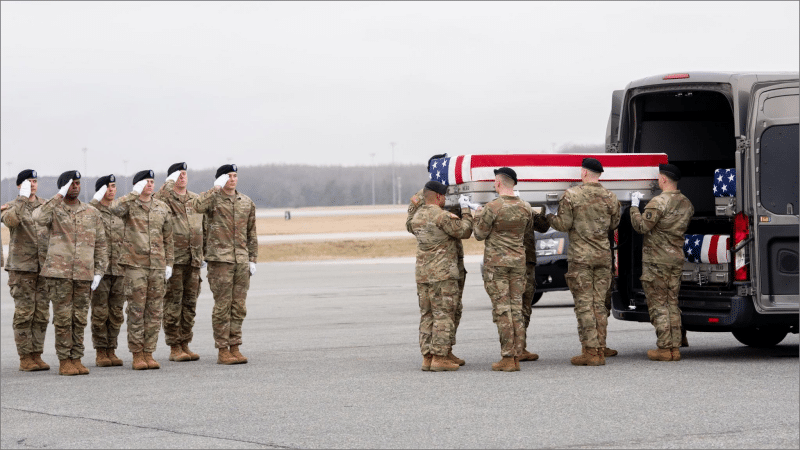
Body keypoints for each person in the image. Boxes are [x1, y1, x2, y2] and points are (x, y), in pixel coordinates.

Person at [547, 158, 620, 366]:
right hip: (603, 258)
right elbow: (614, 223)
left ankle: (591, 352)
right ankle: (600, 347)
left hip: (581, 259)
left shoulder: (572, 195)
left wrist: (550, 216)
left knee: (584, 305)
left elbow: (563, 224)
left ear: (584, 173)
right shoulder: (610, 196)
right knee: (599, 304)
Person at [34, 171, 108, 376]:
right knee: (63, 319)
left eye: (77, 183)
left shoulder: (91, 212)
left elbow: (101, 243)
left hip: (84, 274)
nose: (75, 186)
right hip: (60, 274)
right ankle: (65, 360)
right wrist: (58, 195)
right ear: (63, 187)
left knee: (80, 318)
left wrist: (99, 271)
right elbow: (38, 217)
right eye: (70, 184)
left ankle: (76, 357)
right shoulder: (54, 210)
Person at [191, 164, 257, 365]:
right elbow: (197, 206)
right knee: (222, 306)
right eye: (228, 176)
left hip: (241, 261)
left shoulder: (246, 202)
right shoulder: (213, 200)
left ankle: (235, 346)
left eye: (235, 176)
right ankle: (222, 349)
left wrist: (252, 259)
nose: (232, 179)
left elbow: (251, 233)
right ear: (220, 179)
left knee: (238, 306)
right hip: (221, 261)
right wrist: (215, 189)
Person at [406, 154, 468, 367]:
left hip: (424, 271)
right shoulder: (437, 210)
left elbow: (410, 223)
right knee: (444, 313)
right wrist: (467, 212)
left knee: (430, 314)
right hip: (443, 271)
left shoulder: (419, 214)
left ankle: (430, 355)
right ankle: (439, 357)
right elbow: (464, 231)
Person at [109, 169, 174, 370]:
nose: (150, 185)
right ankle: (137, 353)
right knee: (137, 310)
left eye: (152, 181)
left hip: (156, 265)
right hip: (135, 265)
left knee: (155, 311)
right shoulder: (129, 205)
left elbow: (168, 238)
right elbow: (114, 209)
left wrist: (169, 263)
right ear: (138, 185)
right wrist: (133, 194)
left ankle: (149, 352)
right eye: (146, 181)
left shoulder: (162, 207)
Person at [629, 164, 694, 361]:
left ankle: (665, 349)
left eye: (658, 178)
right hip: (675, 258)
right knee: (672, 302)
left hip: (657, 260)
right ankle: (675, 346)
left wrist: (634, 206)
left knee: (658, 304)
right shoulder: (687, 204)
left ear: (663, 180)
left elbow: (641, 226)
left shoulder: (658, 202)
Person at [474, 167, 532, 372]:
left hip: (497, 265)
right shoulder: (525, 207)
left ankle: (508, 357)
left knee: (502, 310)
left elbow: (480, 234)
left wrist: (477, 216)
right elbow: (526, 231)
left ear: (498, 183)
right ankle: (517, 353)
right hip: (517, 263)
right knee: (516, 309)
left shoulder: (493, 207)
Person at [154, 162, 207, 362]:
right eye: (178, 174)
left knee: (189, 304)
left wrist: (204, 254)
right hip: (174, 260)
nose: (182, 177)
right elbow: (158, 195)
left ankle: (186, 342)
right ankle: (174, 345)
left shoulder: (195, 200)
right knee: (172, 303)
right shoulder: (164, 199)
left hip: (193, 260)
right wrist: (169, 182)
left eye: (185, 173)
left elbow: (204, 226)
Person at [1, 169, 49, 372]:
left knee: (41, 314)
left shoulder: (46, 206)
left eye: (35, 181)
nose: (33, 184)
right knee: (24, 314)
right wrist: (22, 199)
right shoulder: (11, 207)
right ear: (20, 185)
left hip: (44, 269)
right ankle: (25, 357)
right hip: (22, 270)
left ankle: (37, 354)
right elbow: (11, 221)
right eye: (29, 181)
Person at [89, 174, 126, 367]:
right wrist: (96, 199)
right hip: (100, 271)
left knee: (116, 312)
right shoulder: (92, 210)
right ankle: (101, 351)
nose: (112, 190)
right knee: (100, 312)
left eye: (113, 186)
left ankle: (112, 349)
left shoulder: (120, 210)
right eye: (108, 187)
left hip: (119, 269)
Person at [519, 206, 551, 362]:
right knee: (512, 308)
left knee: (524, 307)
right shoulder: (496, 208)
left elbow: (543, 226)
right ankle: (513, 349)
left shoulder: (527, 210)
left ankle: (519, 348)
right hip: (514, 264)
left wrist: (545, 208)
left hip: (525, 262)